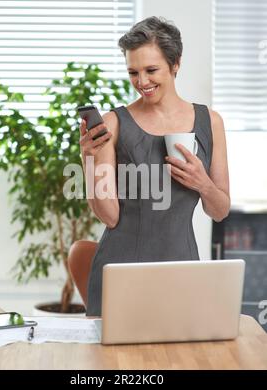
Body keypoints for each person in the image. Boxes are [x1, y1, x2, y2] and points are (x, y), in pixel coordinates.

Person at [68, 16, 230, 317]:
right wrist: (88, 160)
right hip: (121, 272)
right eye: (133, 72)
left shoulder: (211, 122)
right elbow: (110, 216)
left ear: (175, 64)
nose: (142, 82)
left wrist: (202, 183)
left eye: (151, 70)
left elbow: (219, 210)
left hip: (183, 275)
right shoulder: (114, 124)